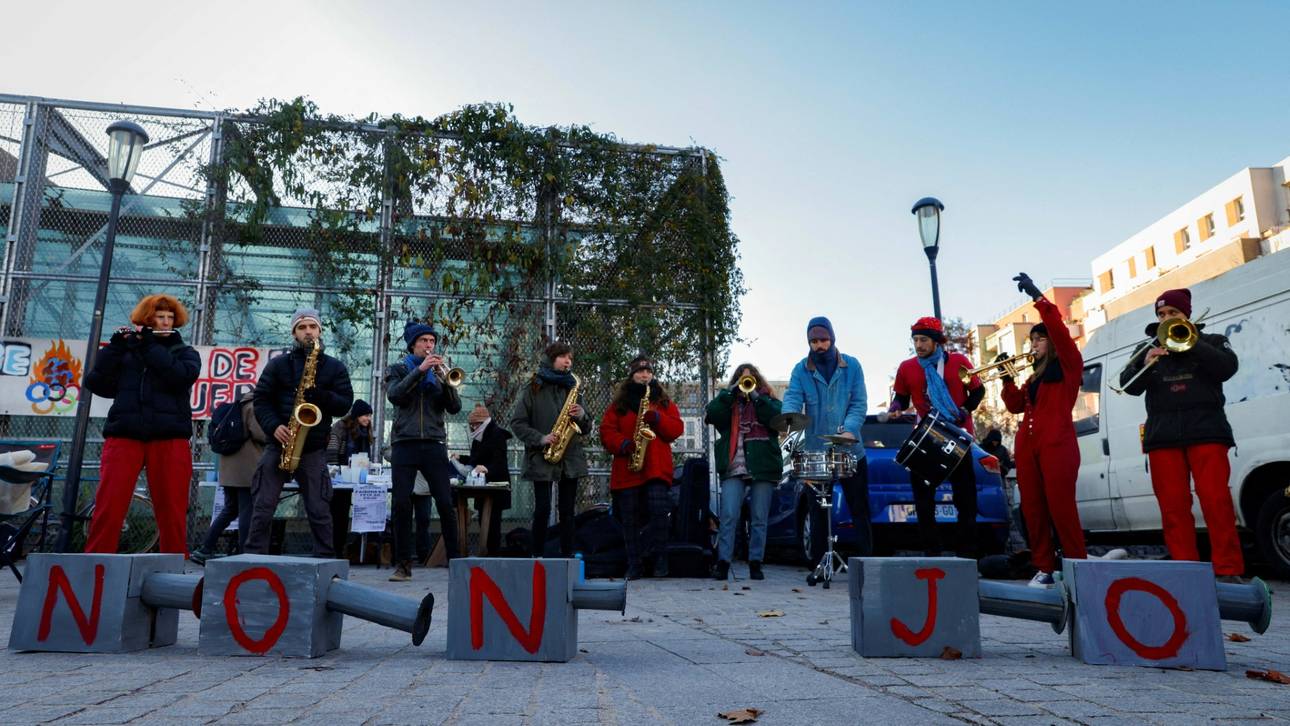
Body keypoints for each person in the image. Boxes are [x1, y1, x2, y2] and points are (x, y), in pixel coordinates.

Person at [1120, 288, 1244, 581]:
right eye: (1161, 314)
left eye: (1172, 314)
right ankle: (1186, 573)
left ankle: (1228, 570)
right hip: (1162, 438)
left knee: (1216, 503)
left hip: (1207, 432)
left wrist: (1192, 342)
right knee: (1173, 509)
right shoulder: (1146, 347)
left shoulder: (1211, 341)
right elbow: (1128, 385)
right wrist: (1145, 363)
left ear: (1186, 315)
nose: (1166, 319)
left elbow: (1227, 368)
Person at [83, 294, 201, 555]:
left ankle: (173, 566)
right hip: (125, 435)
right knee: (109, 503)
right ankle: (96, 563)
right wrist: (114, 348)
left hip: (169, 438)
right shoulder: (127, 352)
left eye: (170, 317)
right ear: (148, 319)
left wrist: (149, 347)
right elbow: (96, 382)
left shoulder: (185, 352)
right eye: (160, 317)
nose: (165, 321)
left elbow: (179, 377)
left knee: (172, 507)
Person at [999, 272, 1087, 588]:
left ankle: (1077, 565)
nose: (1034, 344)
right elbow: (1014, 405)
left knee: (1061, 508)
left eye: (1039, 338)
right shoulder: (1034, 378)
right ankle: (1044, 567)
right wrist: (1006, 377)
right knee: (1033, 509)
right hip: (1028, 446)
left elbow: (1060, 332)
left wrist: (1038, 297)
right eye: (1032, 339)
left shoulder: (1068, 366)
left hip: (1057, 445)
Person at [244, 308, 354, 559]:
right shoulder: (278, 365)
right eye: (302, 327)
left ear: (320, 331)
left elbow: (344, 403)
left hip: (313, 448)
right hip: (278, 444)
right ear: (294, 332)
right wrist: (273, 426)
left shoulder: (334, 367)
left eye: (312, 327)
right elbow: (261, 399)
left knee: (319, 509)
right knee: (262, 506)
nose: (308, 332)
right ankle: (252, 559)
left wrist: (322, 396)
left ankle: (325, 561)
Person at [887, 315, 984, 558]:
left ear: (936, 341)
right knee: (923, 499)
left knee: (965, 498)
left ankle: (967, 553)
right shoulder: (907, 367)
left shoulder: (959, 361)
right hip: (927, 435)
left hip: (957, 434)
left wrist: (965, 410)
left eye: (923, 340)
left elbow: (978, 390)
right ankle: (932, 551)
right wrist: (895, 407)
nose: (918, 345)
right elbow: (901, 397)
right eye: (915, 340)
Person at [781, 317, 871, 558]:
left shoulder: (852, 366)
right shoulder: (801, 369)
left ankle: (868, 565)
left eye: (823, 340)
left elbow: (859, 403)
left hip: (851, 451)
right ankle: (819, 565)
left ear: (832, 338)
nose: (819, 345)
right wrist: (788, 416)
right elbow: (792, 396)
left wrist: (850, 428)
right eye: (813, 341)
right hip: (815, 451)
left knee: (860, 509)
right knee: (817, 511)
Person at [385, 320, 461, 581]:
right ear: (413, 345)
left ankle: (457, 563)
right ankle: (404, 565)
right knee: (402, 504)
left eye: (432, 341)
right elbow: (395, 395)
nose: (429, 346)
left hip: (433, 443)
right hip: (404, 443)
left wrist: (447, 384)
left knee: (445, 503)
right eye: (424, 341)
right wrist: (419, 371)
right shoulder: (397, 369)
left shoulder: (439, 374)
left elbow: (454, 408)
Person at [600, 355, 684, 579]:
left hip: (655, 468)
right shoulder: (619, 405)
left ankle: (660, 561)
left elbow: (676, 429)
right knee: (630, 518)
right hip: (628, 467)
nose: (644, 375)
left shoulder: (663, 402)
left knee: (659, 514)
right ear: (632, 375)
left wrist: (657, 417)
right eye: (639, 372)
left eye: (648, 372)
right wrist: (623, 443)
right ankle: (634, 564)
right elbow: (606, 431)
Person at [510, 341, 593, 558]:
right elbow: (518, 423)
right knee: (543, 509)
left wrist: (582, 415)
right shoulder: (533, 387)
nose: (568, 362)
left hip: (570, 456)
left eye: (570, 358)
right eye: (563, 357)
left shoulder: (573, 386)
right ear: (551, 359)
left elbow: (587, 428)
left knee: (567, 511)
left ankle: (568, 556)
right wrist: (541, 438)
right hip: (542, 455)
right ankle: (537, 556)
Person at [706, 364, 782, 581]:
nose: (745, 382)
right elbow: (712, 414)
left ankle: (756, 563)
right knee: (729, 515)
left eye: (750, 379)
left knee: (759, 518)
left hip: (763, 466)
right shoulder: (728, 402)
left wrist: (757, 397)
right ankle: (723, 562)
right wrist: (730, 393)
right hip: (734, 466)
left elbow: (777, 418)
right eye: (741, 378)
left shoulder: (768, 400)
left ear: (758, 381)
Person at [191, 391, 266, 564]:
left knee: (230, 510)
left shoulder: (234, 407)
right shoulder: (252, 407)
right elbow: (261, 434)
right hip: (247, 470)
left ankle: (205, 549)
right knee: (248, 511)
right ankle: (245, 554)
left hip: (229, 471)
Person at [453, 403, 514, 556]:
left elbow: (499, 462)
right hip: (482, 485)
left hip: (496, 486)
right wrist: (462, 458)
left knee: (493, 523)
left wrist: (487, 469)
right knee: (484, 521)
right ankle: (487, 552)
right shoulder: (480, 436)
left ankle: (492, 553)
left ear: (481, 423)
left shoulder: (497, 435)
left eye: (474, 425)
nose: (472, 428)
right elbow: (476, 459)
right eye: (471, 425)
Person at [326, 398, 374, 560]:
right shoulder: (340, 427)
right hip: (338, 479)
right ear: (357, 415)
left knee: (343, 514)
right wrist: (335, 475)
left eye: (369, 415)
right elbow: (331, 451)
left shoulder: (363, 431)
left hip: (355, 479)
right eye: (365, 415)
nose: (368, 419)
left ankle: (340, 549)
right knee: (336, 513)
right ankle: (332, 550)